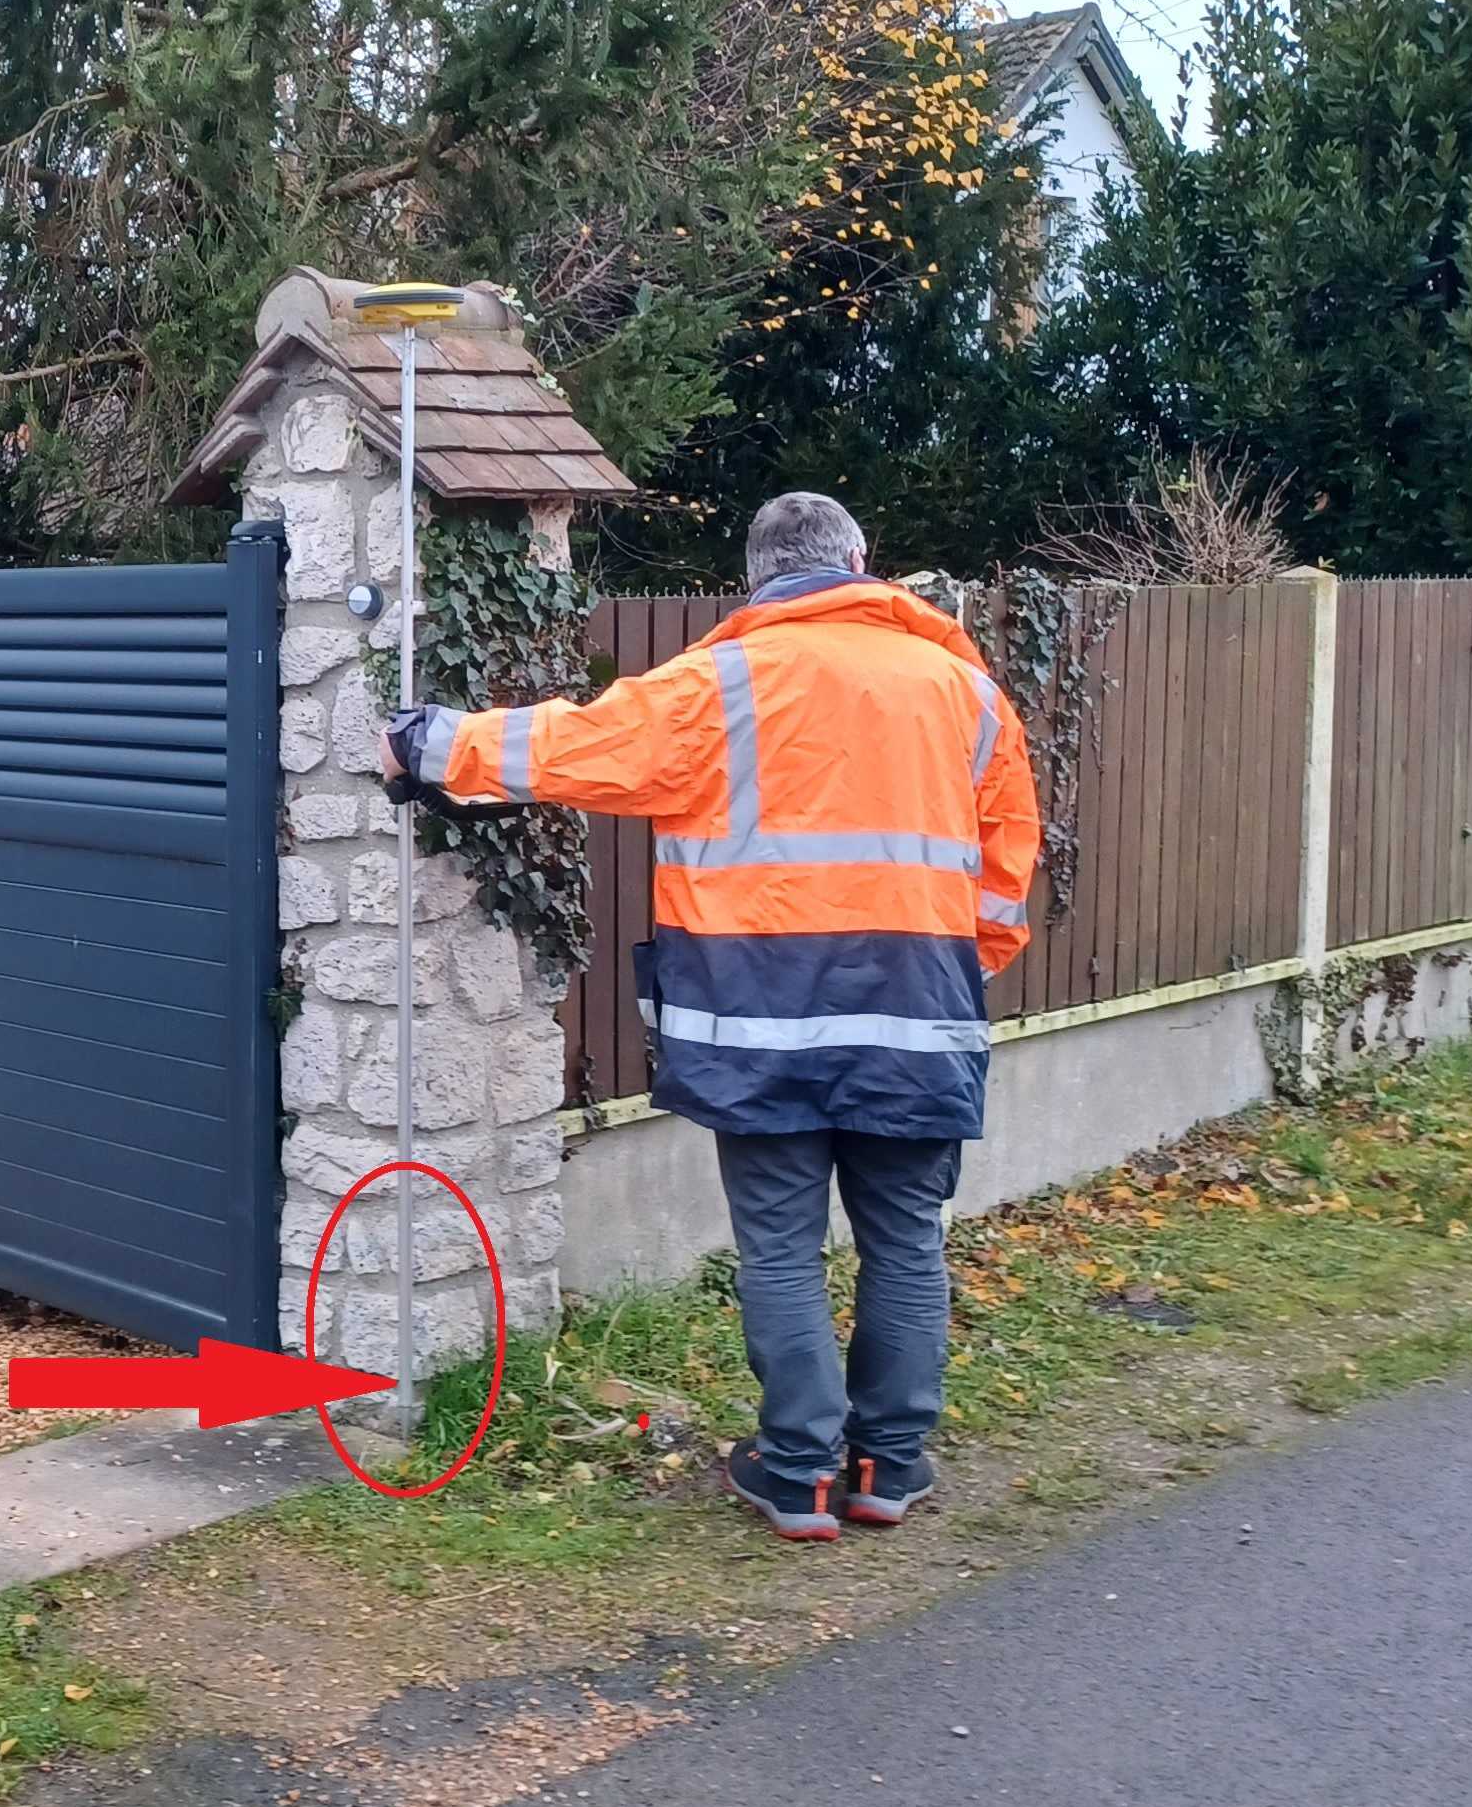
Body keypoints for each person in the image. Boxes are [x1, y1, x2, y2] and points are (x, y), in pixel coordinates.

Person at [380, 492, 1042, 1540]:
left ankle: (799, 1474)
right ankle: (890, 1465)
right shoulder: (965, 692)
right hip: (918, 1017)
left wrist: (427, 744)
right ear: (860, 562)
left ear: (757, 577)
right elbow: (1005, 874)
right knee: (907, 1242)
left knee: (780, 1247)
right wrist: (950, 972)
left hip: (757, 1024)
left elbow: (572, 745)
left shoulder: (723, 683)